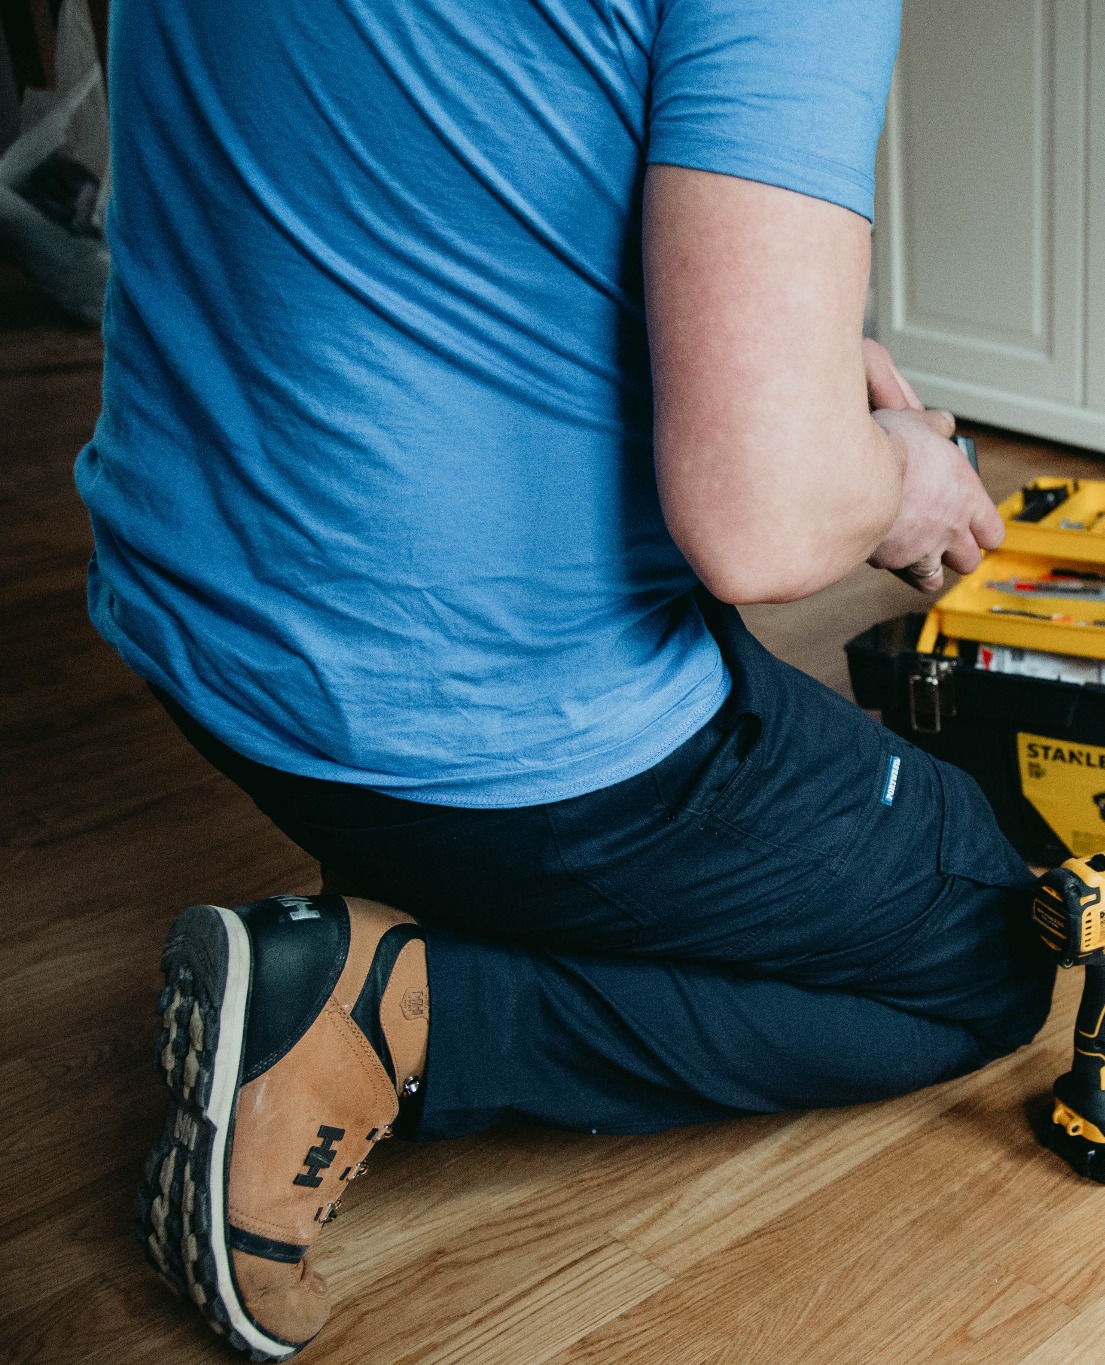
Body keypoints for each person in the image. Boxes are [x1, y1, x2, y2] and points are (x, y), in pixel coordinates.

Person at [78, 1, 1056, 1356]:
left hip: (191, 619)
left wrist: (794, 375)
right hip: (480, 722)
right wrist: (901, 476)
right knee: (998, 938)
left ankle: (442, 902)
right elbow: (763, 523)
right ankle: (393, 1010)